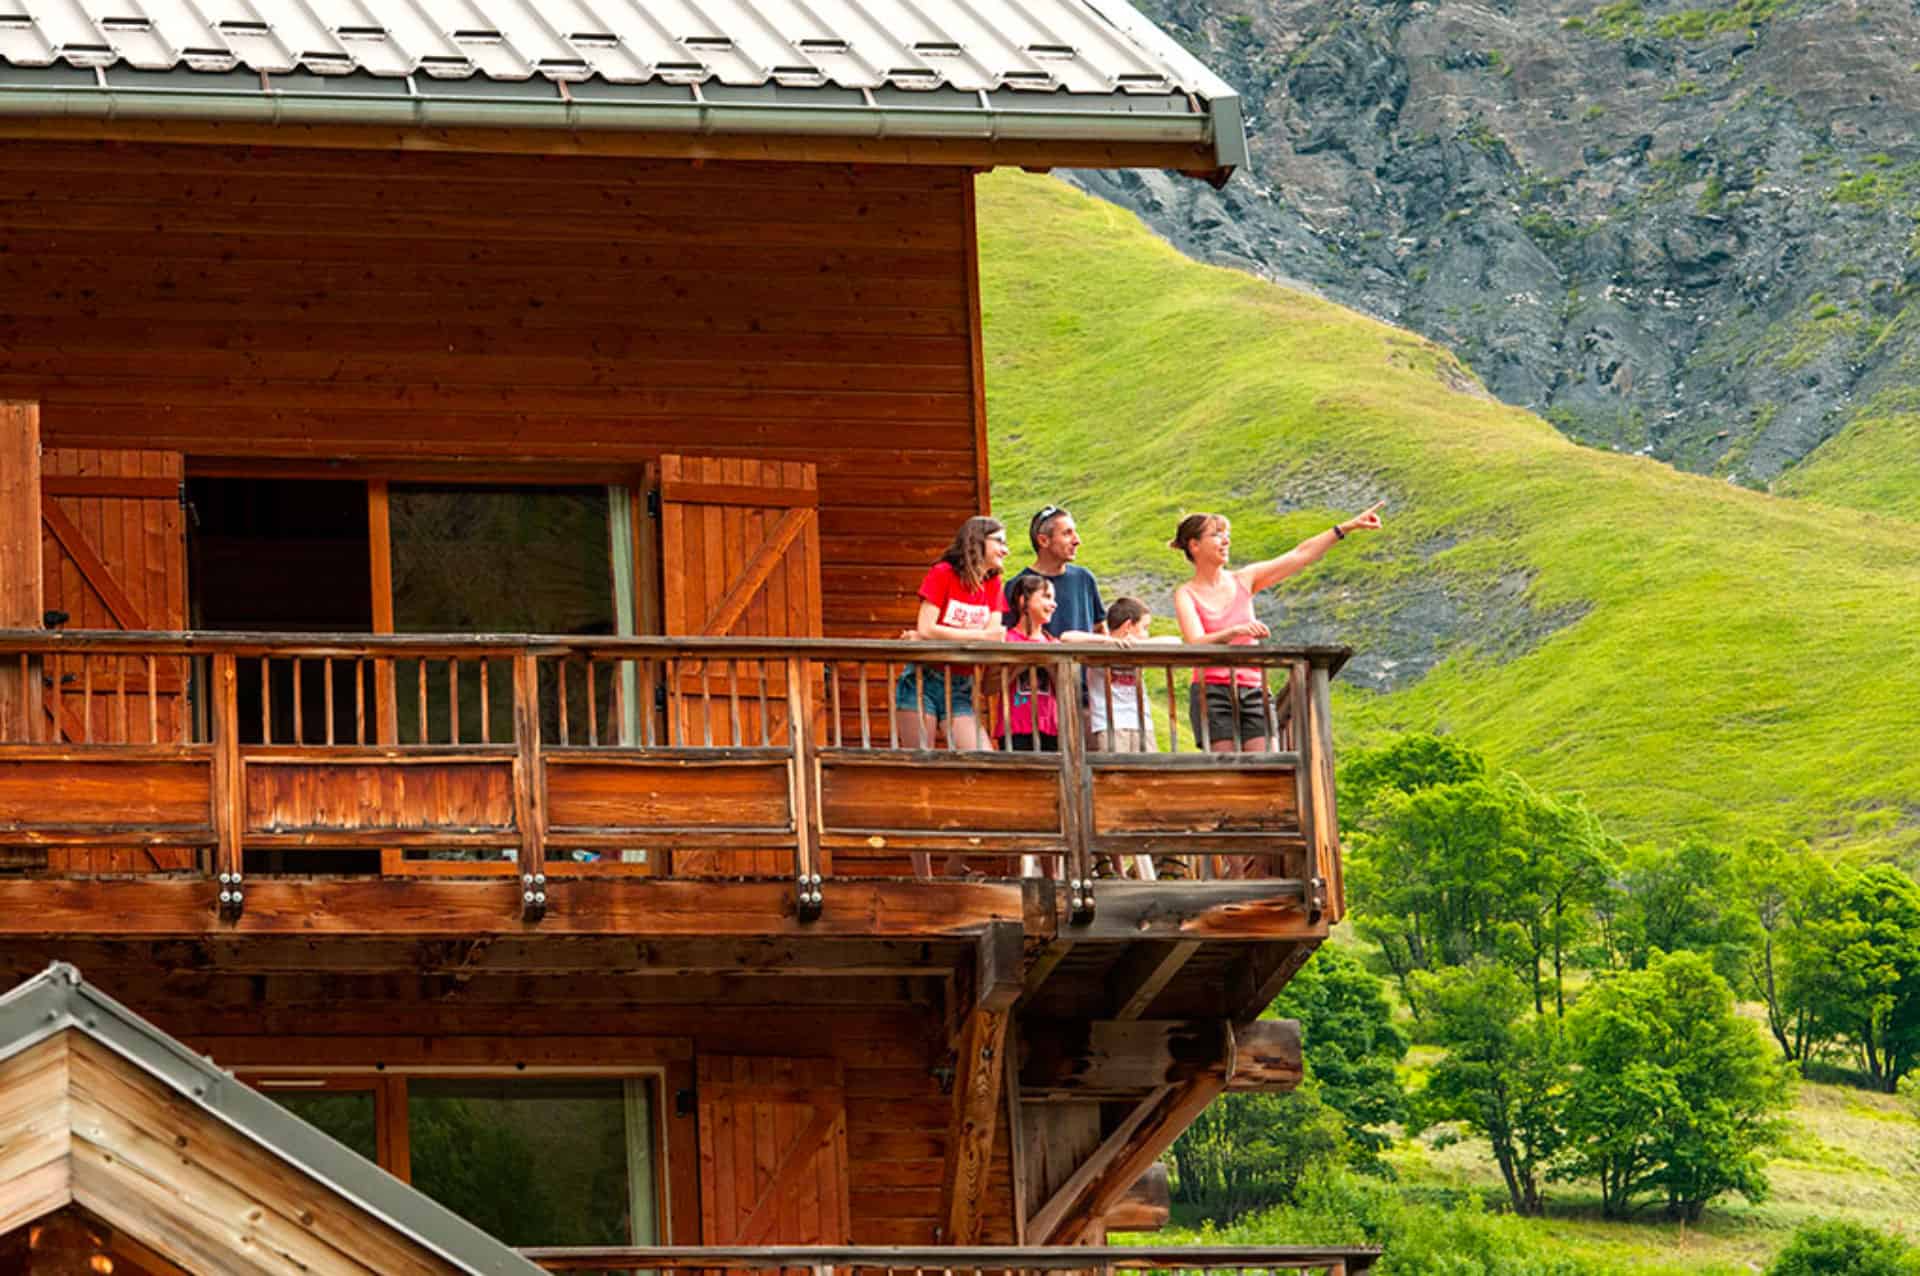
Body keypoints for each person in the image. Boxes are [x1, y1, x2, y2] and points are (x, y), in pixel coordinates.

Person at [1171, 503, 1385, 753]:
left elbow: (1299, 555)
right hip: (1212, 691)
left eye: (1227, 535)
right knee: (1224, 772)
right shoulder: (1186, 593)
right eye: (1217, 535)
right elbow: (1195, 642)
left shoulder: (1244, 579)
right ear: (1194, 545)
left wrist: (1345, 527)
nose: (1226, 541)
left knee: (1267, 765)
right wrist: (1234, 632)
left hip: (1252, 686)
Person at [895, 516, 1009, 750]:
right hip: (922, 678)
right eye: (999, 541)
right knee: (919, 762)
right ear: (978, 540)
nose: (1005, 550)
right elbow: (926, 626)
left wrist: (934, 635)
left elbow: (995, 636)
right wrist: (980, 636)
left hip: (961, 684)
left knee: (983, 758)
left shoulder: (993, 583)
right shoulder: (943, 573)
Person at [1001, 505, 1106, 639]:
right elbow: (1009, 636)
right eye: (1067, 533)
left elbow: (1100, 628)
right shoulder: (1017, 586)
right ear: (1043, 540)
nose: (1077, 541)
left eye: (1075, 532)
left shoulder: (1085, 578)